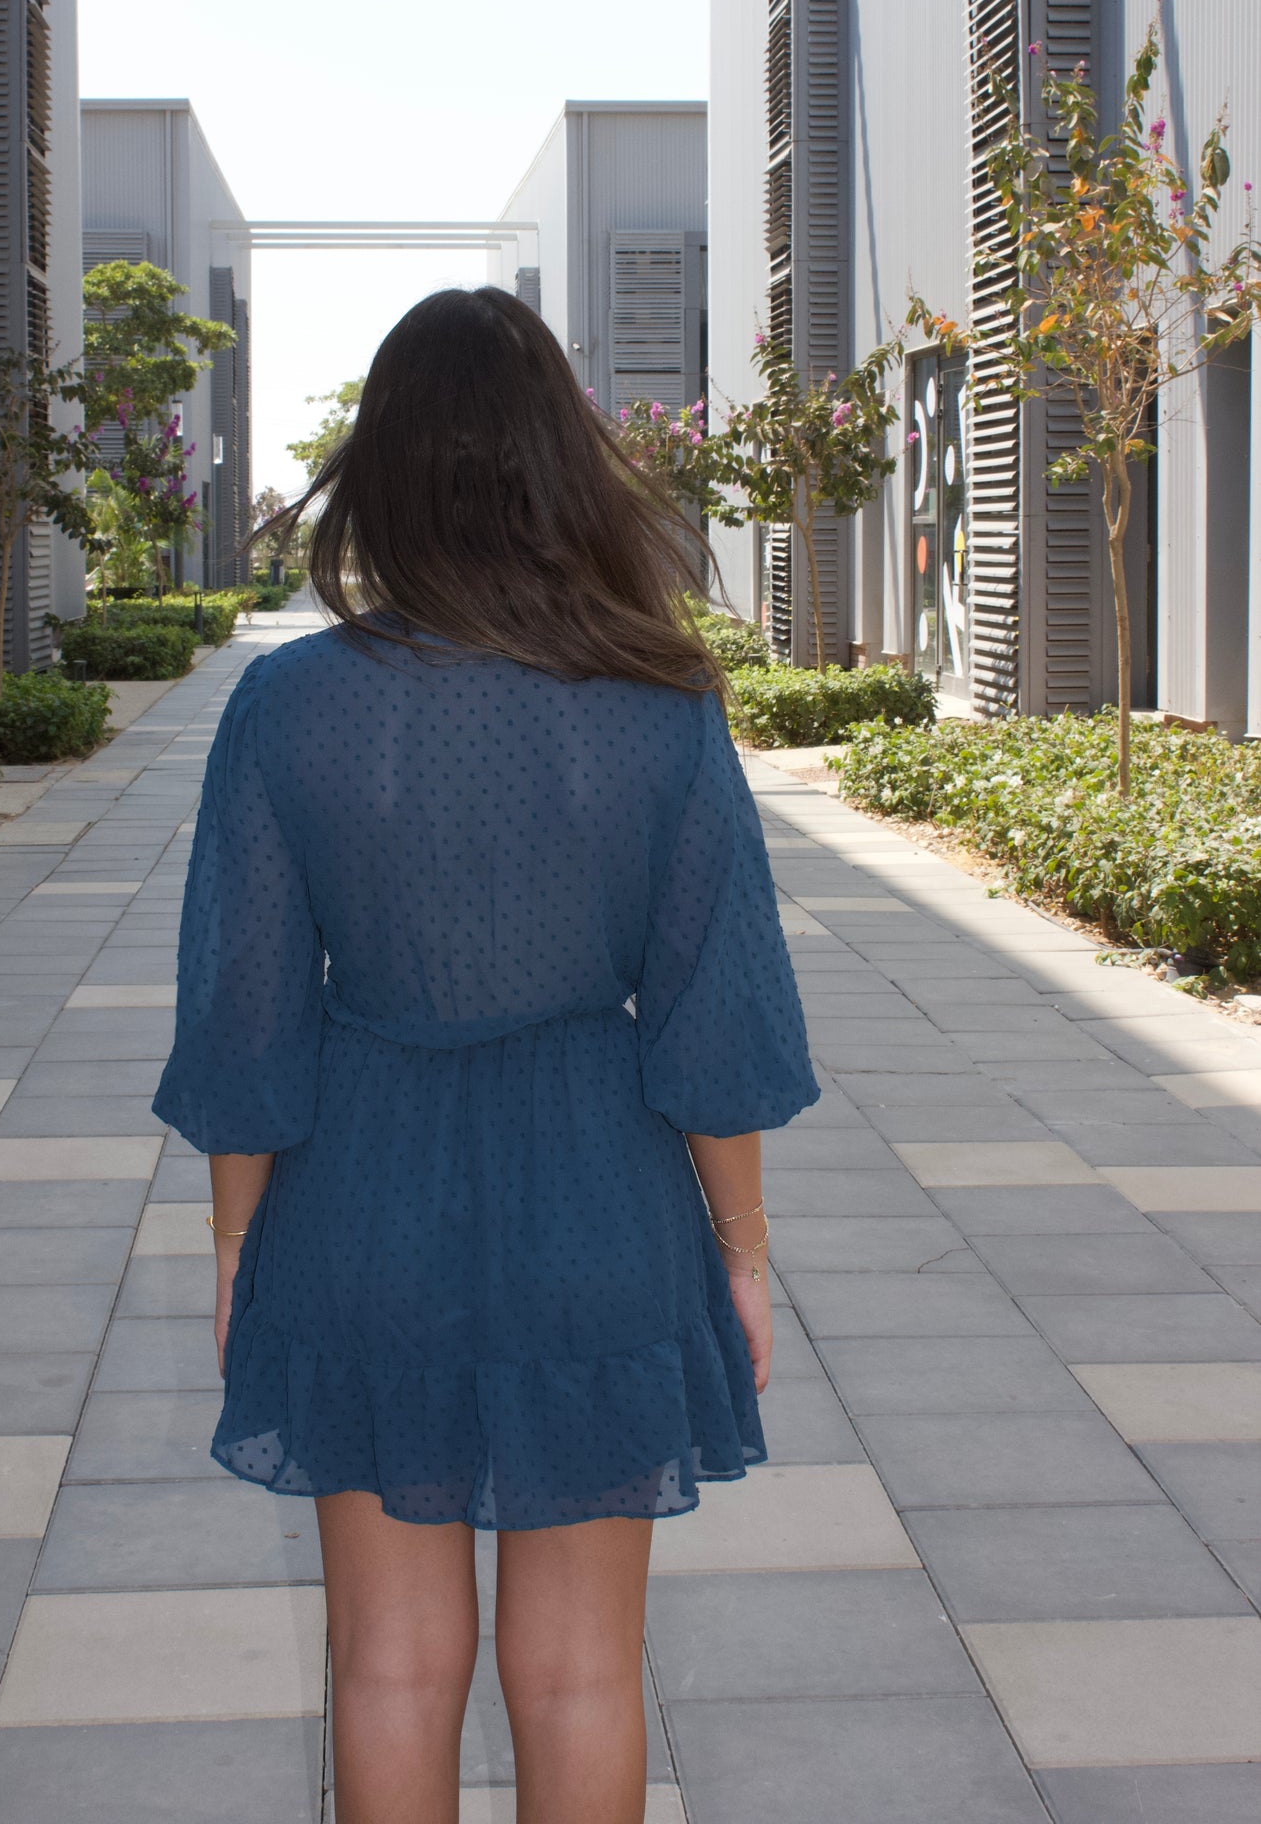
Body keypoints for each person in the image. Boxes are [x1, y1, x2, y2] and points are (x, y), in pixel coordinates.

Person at [152, 286, 819, 1824]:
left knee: (387, 1665)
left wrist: (238, 1245)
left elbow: (244, 1016)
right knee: (583, 1671)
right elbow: (717, 1018)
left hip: (357, 1205)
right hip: (596, 1199)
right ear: (555, 463)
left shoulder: (283, 706)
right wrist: (743, 1248)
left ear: (381, 466)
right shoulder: (659, 703)